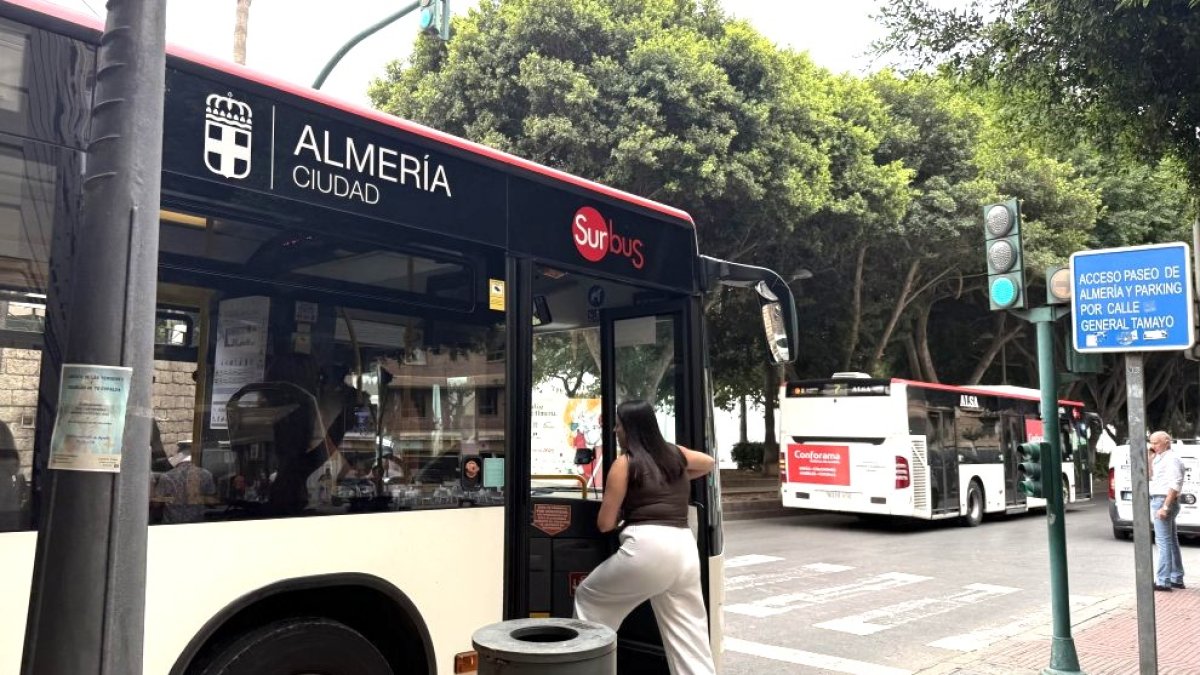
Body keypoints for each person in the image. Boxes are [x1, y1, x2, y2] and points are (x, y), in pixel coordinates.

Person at [573, 400, 716, 675]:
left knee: (589, 599)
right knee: (688, 635)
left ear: (630, 428)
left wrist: (625, 504)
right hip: (684, 548)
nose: (615, 430)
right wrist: (679, 472)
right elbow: (708, 463)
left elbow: (605, 524)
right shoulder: (675, 455)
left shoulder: (624, 464)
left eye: (618, 424)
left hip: (647, 546)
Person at [1148, 430, 1185, 591]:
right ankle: (1176, 576)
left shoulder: (1172, 459)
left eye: (1156, 442)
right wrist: (1150, 459)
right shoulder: (1159, 458)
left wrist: (1165, 506)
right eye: (1151, 442)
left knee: (1163, 542)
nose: (1152, 446)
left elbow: (1175, 484)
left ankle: (1163, 580)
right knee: (1171, 541)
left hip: (1163, 500)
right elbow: (1152, 477)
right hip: (1161, 499)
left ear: (1167, 442)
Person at [152, 445, 217, 524]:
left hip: (171, 524)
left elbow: (156, 504)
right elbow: (212, 501)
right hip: (197, 523)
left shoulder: (166, 477)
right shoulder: (206, 475)